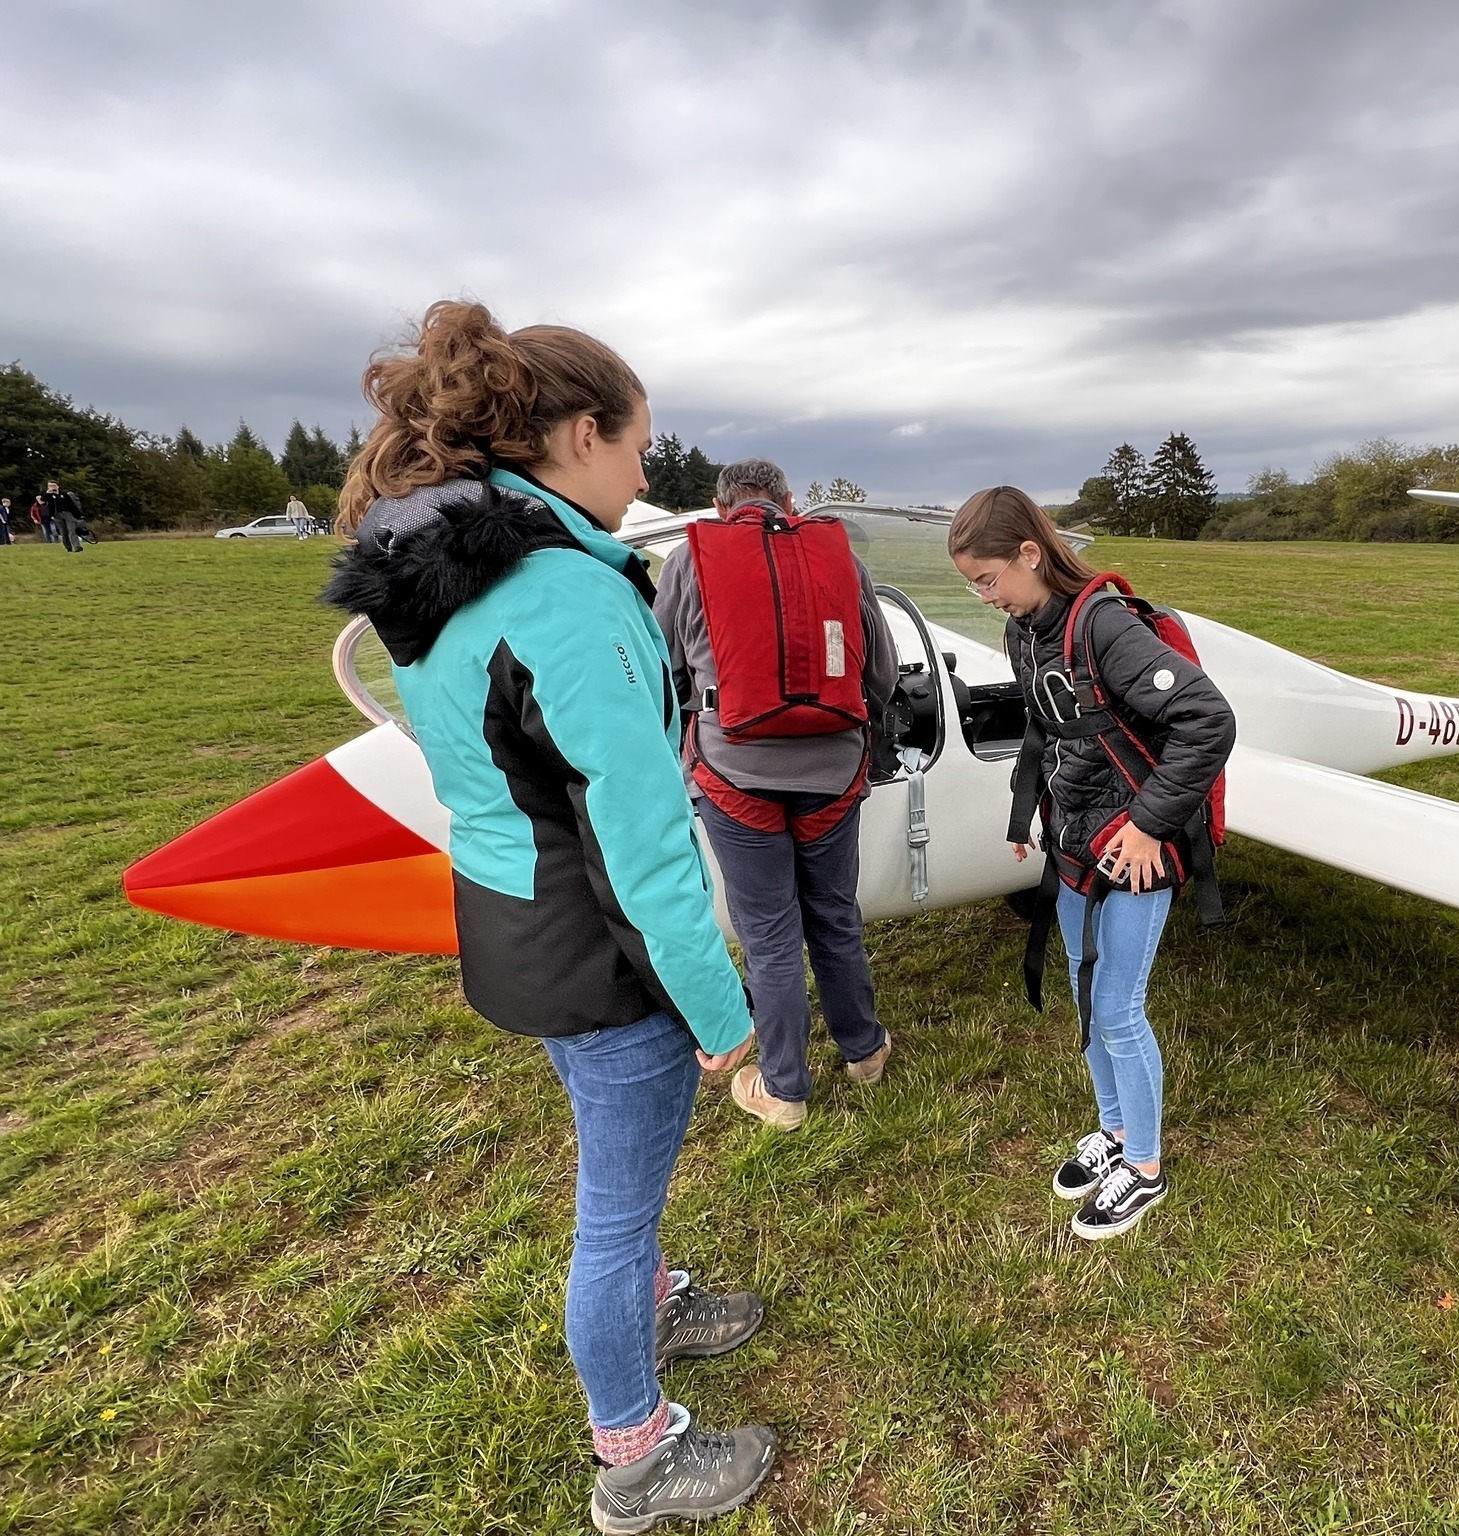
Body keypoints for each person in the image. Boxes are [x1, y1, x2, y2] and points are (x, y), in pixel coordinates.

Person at [321, 300, 778, 1527]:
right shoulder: (564, 597)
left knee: (615, 1180)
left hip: (525, 930)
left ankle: (655, 1307)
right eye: (640, 444)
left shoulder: (449, 569)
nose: (647, 472)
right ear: (582, 436)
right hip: (599, 955)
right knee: (614, 1216)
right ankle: (635, 1460)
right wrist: (718, 1003)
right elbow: (636, 843)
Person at [949, 487, 1234, 1240]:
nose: (983, 598)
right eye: (971, 585)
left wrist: (1145, 828)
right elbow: (1055, 736)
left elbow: (1209, 721)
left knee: (1117, 1007)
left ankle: (1144, 1168)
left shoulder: (1105, 627)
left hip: (1143, 845)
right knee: (1084, 988)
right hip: (1076, 836)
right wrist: (1028, 816)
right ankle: (1112, 1132)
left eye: (987, 579)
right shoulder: (1025, 630)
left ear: (1029, 555)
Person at [652, 458, 899, 1131]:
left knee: (768, 932)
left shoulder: (690, 561)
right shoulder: (836, 559)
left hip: (736, 779)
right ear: (789, 501)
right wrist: (849, 729)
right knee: (834, 914)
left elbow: (664, 666)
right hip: (832, 775)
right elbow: (879, 668)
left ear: (720, 505)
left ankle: (785, 1088)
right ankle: (865, 1052)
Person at [37, 481, 85, 552]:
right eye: (50, 486)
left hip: (67, 514)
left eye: (54, 485)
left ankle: (77, 546)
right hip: (57, 515)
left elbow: (72, 505)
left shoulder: (64, 495)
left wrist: (78, 515)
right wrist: (48, 492)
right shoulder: (49, 496)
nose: (53, 487)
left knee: (71, 530)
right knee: (63, 532)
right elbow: (42, 501)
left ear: (57, 486)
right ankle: (68, 547)